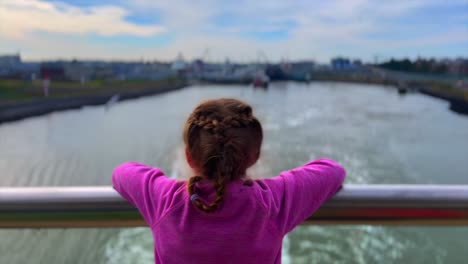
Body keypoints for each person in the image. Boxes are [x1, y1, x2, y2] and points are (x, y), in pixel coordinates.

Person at [112, 98, 346, 264]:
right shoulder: (271, 203)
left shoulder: (164, 199)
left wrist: (157, 181)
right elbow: (332, 171)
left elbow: (121, 172)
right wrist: (279, 183)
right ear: (254, 157)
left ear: (189, 157)